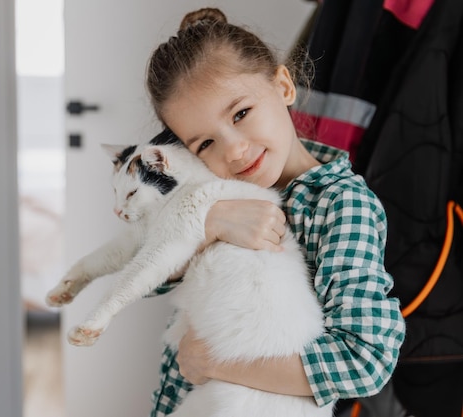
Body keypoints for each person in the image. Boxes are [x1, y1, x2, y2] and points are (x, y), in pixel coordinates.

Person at [143, 8, 406, 416]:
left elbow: (363, 361)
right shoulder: (211, 195)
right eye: (204, 144)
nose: (233, 149)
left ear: (283, 85)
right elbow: (150, 279)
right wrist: (209, 225)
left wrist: (214, 361)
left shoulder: (340, 204)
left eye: (241, 114)